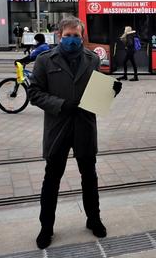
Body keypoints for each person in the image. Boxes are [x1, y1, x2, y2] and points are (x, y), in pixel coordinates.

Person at [28, 17, 122, 250]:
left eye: (76, 36)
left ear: (82, 37)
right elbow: (34, 93)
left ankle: (94, 219)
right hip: (57, 128)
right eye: (68, 35)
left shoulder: (92, 59)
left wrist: (110, 91)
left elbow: (95, 92)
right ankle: (46, 227)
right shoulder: (44, 60)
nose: (72, 40)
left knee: (89, 177)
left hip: (85, 127)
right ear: (60, 35)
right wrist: (61, 104)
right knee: (52, 180)